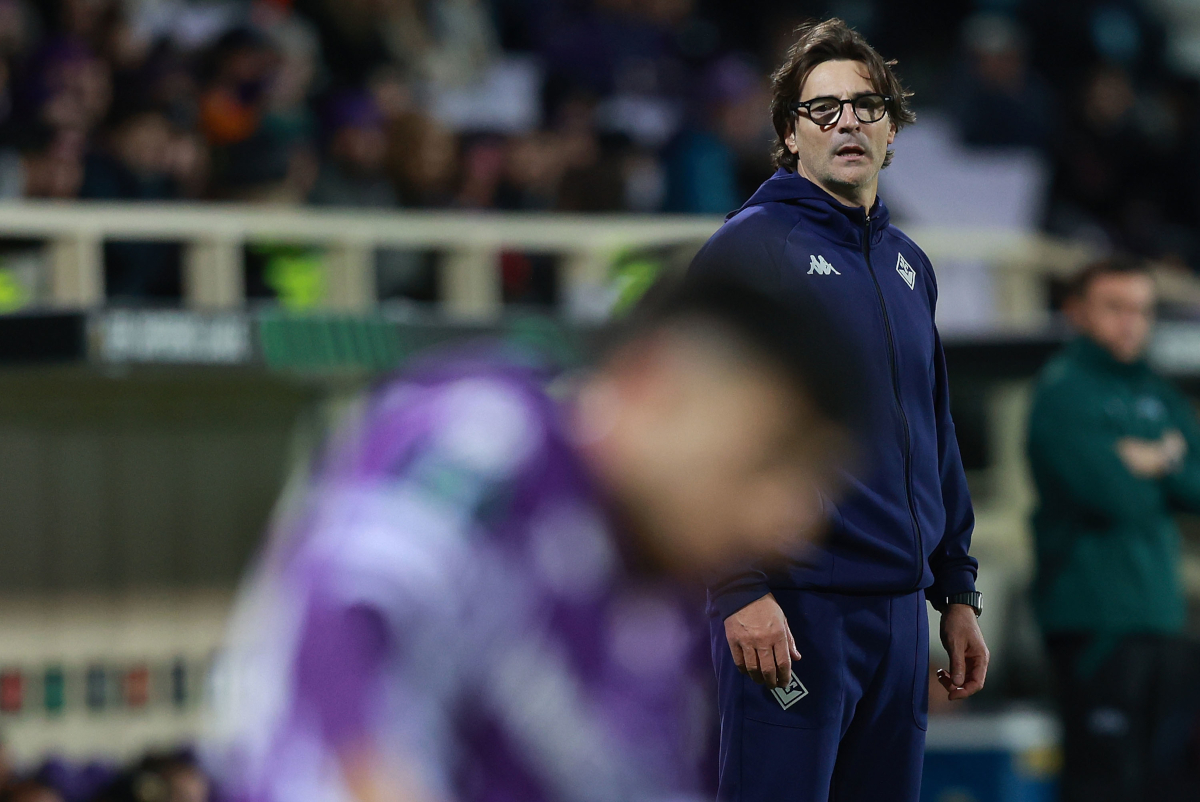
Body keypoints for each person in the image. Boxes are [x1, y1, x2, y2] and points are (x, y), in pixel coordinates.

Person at [203, 272, 866, 802]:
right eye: (772, 459)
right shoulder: (491, 436)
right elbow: (347, 620)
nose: (789, 519)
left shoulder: (671, 631)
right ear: (652, 388)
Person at [686, 18, 989, 801]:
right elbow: (695, 428)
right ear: (790, 134)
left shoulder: (908, 263)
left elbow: (934, 432)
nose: (848, 121)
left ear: (892, 130)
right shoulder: (752, 248)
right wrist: (739, 589)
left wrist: (955, 590)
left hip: (897, 619)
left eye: (867, 105)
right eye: (823, 110)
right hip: (791, 614)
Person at [1028, 257, 1200, 802]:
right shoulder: (1062, 393)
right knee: (1103, 783)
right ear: (1076, 312)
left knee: (1164, 783)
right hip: (1094, 620)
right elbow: (1114, 497)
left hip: (1161, 616)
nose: (1131, 323)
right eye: (1115, 308)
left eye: (1142, 311)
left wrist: (1153, 461)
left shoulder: (1157, 390)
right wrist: (1167, 461)